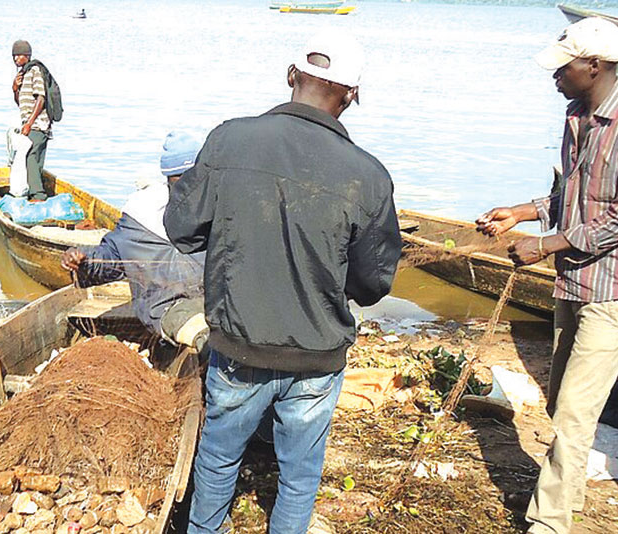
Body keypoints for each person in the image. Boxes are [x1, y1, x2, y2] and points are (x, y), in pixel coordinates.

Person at [164, 29, 402, 534]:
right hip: (316, 355)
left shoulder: (229, 138)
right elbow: (373, 283)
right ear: (352, 95)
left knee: (218, 457)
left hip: (239, 346)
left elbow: (182, 229)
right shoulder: (369, 175)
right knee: (299, 476)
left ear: (291, 75)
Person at [476, 17, 618, 534]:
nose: (555, 76)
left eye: (563, 67)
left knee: (574, 415)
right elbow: (576, 197)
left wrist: (546, 243)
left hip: (614, 287)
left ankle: (550, 521)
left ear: (595, 66)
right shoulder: (576, 115)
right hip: (573, 282)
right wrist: (522, 212)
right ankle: (572, 494)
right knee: (562, 399)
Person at [61, 131, 209, 350]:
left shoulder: (216, 205)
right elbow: (112, 258)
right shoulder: (142, 215)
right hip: (170, 307)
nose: (190, 185)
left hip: (214, 301)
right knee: (204, 337)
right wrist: (83, 259)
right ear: (170, 179)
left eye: (195, 176)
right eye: (181, 177)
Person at [11, 40, 52, 202]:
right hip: (30, 124)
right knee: (35, 159)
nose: (16, 59)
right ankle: (35, 191)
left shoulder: (35, 70)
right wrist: (15, 89)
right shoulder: (23, 75)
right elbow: (20, 103)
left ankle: (38, 196)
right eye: (14, 55)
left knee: (30, 155)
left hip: (38, 124)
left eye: (19, 55)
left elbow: (40, 98)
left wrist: (29, 123)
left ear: (27, 56)